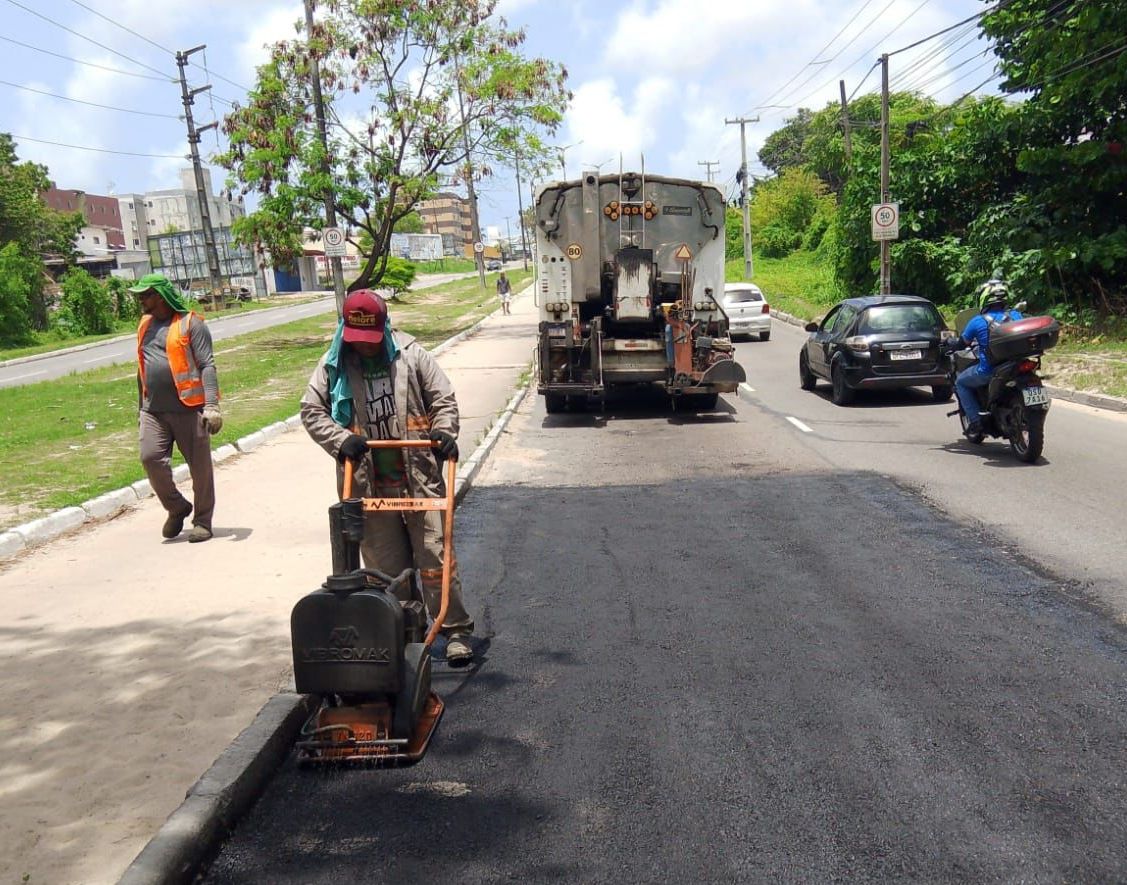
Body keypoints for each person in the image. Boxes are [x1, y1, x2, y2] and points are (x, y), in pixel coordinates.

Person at [300, 289, 475, 665]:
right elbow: (311, 410)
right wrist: (341, 439)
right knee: (385, 570)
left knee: (435, 557)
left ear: (385, 327)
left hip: (418, 476)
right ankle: (405, 634)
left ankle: (455, 630)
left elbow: (443, 399)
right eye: (356, 340)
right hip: (367, 482)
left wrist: (444, 432)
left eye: (370, 340)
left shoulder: (411, 355)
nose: (363, 348)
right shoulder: (334, 364)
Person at [131, 273, 223, 543]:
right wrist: (140, 408)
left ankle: (203, 521)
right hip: (153, 411)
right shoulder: (144, 325)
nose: (140, 300)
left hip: (189, 408)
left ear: (159, 296)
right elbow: (142, 368)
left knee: (200, 469)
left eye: (145, 295)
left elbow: (207, 365)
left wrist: (212, 406)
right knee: (150, 458)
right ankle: (177, 507)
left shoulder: (191, 324)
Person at [951, 278, 1023, 437]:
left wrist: (951, 344)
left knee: (960, 383)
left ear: (984, 299)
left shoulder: (977, 321)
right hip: (1017, 365)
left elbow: (963, 343)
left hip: (989, 370)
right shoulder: (1017, 315)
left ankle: (976, 422)